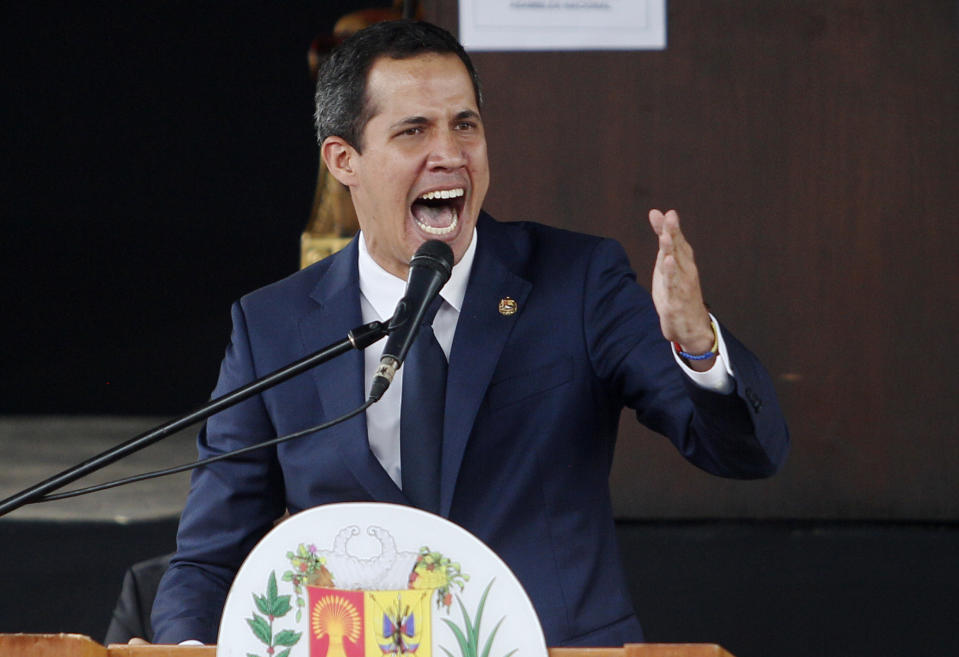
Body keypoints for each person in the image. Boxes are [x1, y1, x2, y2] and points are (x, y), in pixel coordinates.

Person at [151, 20, 789, 647]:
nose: (450, 154)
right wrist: (184, 651)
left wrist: (699, 347)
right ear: (344, 159)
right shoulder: (272, 327)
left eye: (466, 125)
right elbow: (210, 560)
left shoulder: (578, 282)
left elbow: (742, 451)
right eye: (413, 131)